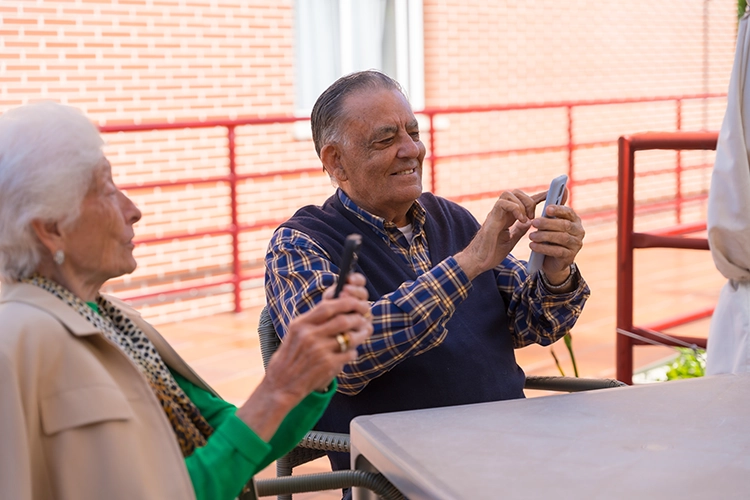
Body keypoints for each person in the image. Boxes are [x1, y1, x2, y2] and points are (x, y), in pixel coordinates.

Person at [0, 101, 373, 500]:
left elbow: (236, 436)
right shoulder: (23, 340)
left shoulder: (111, 318)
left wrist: (309, 370)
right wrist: (278, 388)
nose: (133, 210)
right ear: (51, 229)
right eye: (107, 191)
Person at [264, 70, 590, 477]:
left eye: (413, 133)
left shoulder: (451, 217)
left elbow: (535, 325)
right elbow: (342, 360)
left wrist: (556, 270)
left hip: (510, 451)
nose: (410, 149)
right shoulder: (300, 244)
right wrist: (467, 263)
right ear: (336, 161)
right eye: (385, 139)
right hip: (399, 477)